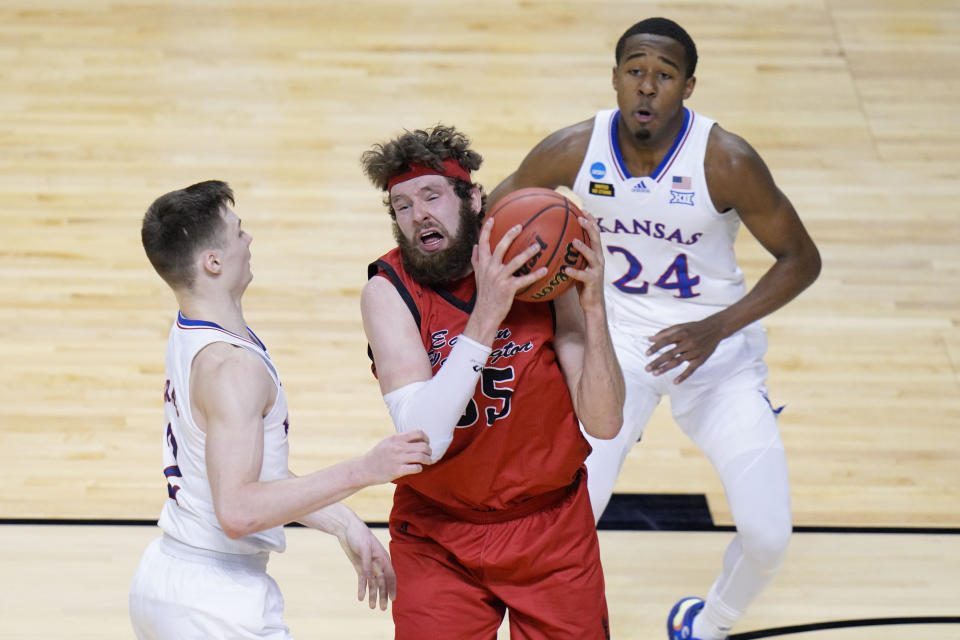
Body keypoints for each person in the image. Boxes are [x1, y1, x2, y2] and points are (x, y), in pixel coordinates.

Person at [489, 17, 822, 640]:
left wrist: (716, 328)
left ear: (688, 86)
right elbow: (496, 218)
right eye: (635, 72)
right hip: (613, 350)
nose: (647, 87)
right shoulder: (571, 148)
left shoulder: (726, 159)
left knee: (769, 535)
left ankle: (708, 623)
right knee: (565, 520)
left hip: (715, 357)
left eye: (664, 76)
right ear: (615, 78)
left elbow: (802, 259)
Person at [130, 180, 433, 639]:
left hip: (174, 579)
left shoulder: (194, 329)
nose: (248, 241)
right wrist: (366, 469)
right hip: (213, 603)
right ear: (212, 262)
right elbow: (238, 511)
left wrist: (344, 523)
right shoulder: (232, 369)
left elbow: (254, 476)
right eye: (237, 233)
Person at [359, 124, 625, 640]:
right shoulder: (388, 291)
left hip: (550, 527)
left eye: (431, 196)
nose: (419, 217)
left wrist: (593, 309)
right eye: (403, 206)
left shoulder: (537, 267)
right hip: (439, 533)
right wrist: (486, 318)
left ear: (473, 198)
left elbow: (606, 422)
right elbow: (423, 441)